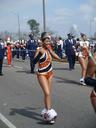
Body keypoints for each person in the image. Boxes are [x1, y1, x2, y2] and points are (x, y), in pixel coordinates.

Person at [32, 32, 61, 123]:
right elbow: (33, 62)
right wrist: (40, 54)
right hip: (42, 74)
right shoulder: (39, 50)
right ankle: (49, 114)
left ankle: (47, 112)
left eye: (49, 40)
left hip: (50, 73)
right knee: (47, 93)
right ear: (42, 41)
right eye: (46, 40)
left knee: (47, 94)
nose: (48, 42)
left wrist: (51, 50)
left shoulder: (49, 49)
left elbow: (58, 58)